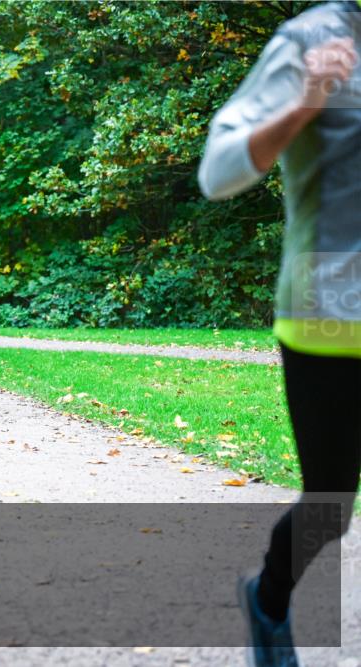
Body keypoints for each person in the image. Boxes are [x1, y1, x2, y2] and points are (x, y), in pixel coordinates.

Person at [198, 3, 360, 666]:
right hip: (330, 314)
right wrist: (306, 99)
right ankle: (268, 598)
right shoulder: (308, 42)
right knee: (330, 504)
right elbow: (218, 173)